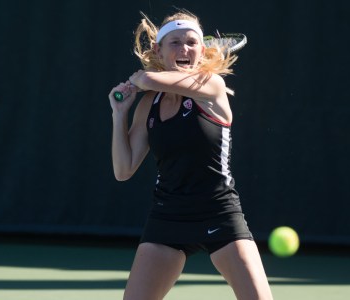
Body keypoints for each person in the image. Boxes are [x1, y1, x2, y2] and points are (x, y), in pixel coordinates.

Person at [108, 9, 273, 300]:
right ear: (159, 49)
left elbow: (148, 79)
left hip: (219, 212)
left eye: (192, 42)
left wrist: (142, 78)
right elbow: (124, 169)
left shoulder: (211, 86)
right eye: (175, 42)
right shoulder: (149, 104)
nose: (184, 49)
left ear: (203, 49)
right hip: (167, 216)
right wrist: (119, 114)